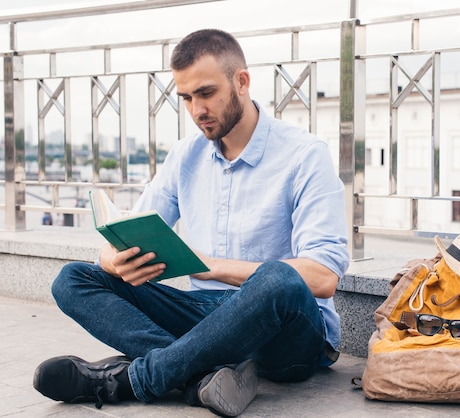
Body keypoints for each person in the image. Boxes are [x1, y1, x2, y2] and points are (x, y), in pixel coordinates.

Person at [33, 28, 349, 417]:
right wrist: (113, 259)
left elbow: (321, 277)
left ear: (242, 82)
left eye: (206, 93)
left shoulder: (304, 155)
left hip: (285, 334)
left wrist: (208, 265)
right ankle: (198, 376)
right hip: (206, 316)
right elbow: (131, 230)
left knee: (278, 278)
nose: (197, 109)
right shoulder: (185, 155)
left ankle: (134, 380)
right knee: (74, 278)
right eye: (186, 97)